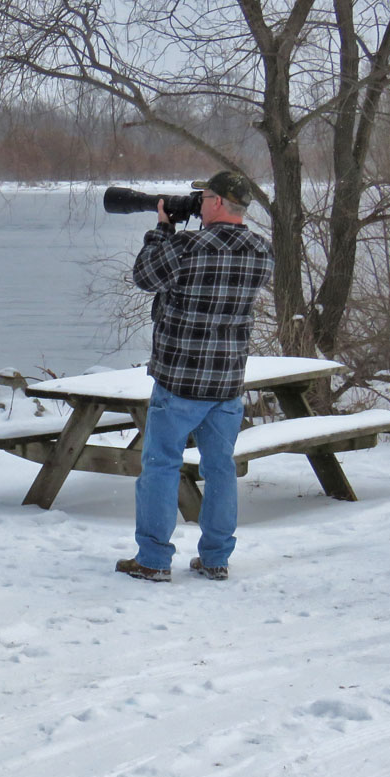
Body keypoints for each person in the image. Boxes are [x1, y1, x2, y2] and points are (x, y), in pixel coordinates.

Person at [115, 171, 273, 583]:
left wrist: (162, 230)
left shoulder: (187, 246)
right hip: (227, 382)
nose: (198, 202)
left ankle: (153, 559)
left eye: (203, 197)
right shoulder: (262, 251)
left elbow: (145, 276)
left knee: (162, 466)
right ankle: (216, 558)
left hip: (179, 381)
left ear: (218, 202)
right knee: (220, 467)